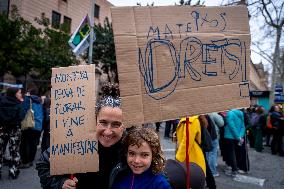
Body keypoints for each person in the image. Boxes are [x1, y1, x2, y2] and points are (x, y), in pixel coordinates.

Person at [36, 83, 125, 189]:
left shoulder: (132, 149)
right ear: (95, 120)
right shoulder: (77, 142)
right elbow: (43, 163)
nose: (108, 131)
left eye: (116, 124)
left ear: (124, 125)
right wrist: (60, 184)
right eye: (103, 122)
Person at [0, 87, 25, 179]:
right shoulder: (18, 104)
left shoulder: (1, 101)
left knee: (0, 150)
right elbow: (21, 117)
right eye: (19, 93)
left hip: (2, 128)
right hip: (14, 129)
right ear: (14, 94)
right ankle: (13, 171)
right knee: (14, 150)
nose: (21, 94)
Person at [20, 88, 43, 168]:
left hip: (29, 124)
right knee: (33, 144)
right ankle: (30, 160)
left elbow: (23, 111)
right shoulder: (40, 101)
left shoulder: (28, 99)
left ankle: (25, 161)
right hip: (38, 125)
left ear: (29, 93)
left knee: (24, 143)